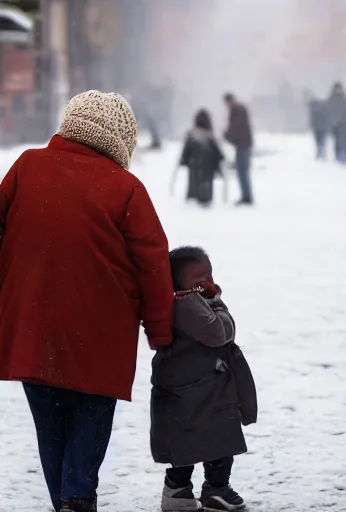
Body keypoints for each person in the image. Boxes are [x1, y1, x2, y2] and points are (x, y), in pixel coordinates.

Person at [0, 90, 174, 512]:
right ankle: (78, 500)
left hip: (31, 331)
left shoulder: (26, 167)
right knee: (90, 419)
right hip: (100, 337)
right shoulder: (126, 189)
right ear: (120, 138)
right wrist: (161, 333)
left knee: (49, 426)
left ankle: (66, 501)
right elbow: (153, 265)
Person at [151, 246, 257, 512]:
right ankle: (213, 488)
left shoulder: (188, 301)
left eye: (209, 275)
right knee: (211, 440)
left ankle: (185, 490)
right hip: (198, 393)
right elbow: (219, 333)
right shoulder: (185, 304)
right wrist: (219, 303)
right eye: (199, 279)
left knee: (198, 441)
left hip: (200, 390)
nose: (208, 283)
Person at [179, 109, 225, 206]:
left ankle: (193, 196)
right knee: (206, 182)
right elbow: (217, 152)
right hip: (208, 165)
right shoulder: (210, 135)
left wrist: (184, 160)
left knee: (194, 181)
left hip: (194, 163)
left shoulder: (192, 133)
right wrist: (218, 162)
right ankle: (205, 198)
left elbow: (186, 149)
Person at [223, 93, 254, 206]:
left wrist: (227, 136)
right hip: (243, 144)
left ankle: (247, 197)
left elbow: (236, 128)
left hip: (242, 145)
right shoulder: (240, 109)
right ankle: (246, 195)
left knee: (242, 172)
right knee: (243, 172)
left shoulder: (236, 111)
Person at [326, 83, 346, 164]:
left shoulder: (345, 102)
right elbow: (327, 113)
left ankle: (343, 156)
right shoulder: (333, 101)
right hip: (338, 125)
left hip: (344, 125)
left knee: (344, 141)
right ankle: (340, 156)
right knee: (339, 141)